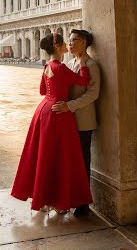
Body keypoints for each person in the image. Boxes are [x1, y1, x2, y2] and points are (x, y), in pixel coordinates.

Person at [11, 32, 93, 213]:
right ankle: (58, 201)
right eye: (64, 42)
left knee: (45, 156)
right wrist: (83, 64)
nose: (67, 45)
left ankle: (45, 199)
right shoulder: (61, 67)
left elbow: (42, 90)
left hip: (43, 110)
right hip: (58, 113)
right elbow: (84, 81)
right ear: (57, 47)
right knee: (59, 157)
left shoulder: (47, 65)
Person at [51, 29, 100, 216]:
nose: (70, 44)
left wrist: (69, 106)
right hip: (67, 120)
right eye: (69, 41)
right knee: (69, 163)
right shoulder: (69, 63)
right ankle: (68, 198)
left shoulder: (92, 65)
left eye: (75, 40)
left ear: (85, 43)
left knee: (82, 162)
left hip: (83, 121)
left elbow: (93, 94)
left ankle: (82, 203)